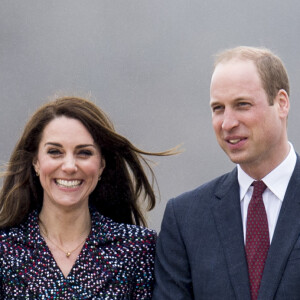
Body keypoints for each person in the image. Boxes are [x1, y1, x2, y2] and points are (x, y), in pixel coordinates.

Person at [153, 46, 300, 300]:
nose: (227, 123)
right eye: (218, 108)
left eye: (242, 105)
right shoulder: (185, 219)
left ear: (282, 103)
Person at [0, 96, 174, 299]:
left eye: (84, 153)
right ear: (36, 162)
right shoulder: (5, 248)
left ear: (101, 164)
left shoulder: (136, 248)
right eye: (55, 152)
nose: (69, 166)